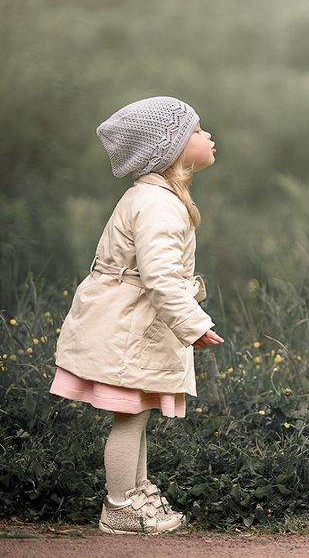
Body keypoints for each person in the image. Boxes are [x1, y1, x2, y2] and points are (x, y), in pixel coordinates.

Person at [49, 96, 223, 534]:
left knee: (137, 412)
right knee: (130, 417)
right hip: (129, 325)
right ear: (176, 149)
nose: (208, 136)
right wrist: (194, 324)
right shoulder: (159, 204)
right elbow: (160, 276)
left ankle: (136, 493)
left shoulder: (158, 197)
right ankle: (121, 506)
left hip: (130, 321)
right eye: (198, 131)